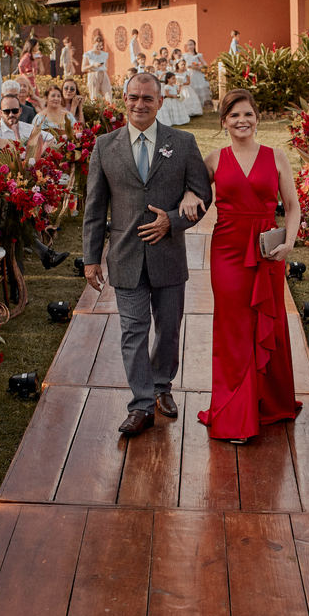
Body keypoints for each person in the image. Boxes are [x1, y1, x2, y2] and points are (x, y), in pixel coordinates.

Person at [82, 72, 213, 436]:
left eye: (147, 98)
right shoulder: (105, 146)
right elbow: (94, 208)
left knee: (169, 330)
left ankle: (161, 386)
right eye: (133, 97)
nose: (140, 104)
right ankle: (141, 404)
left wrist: (172, 221)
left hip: (168, 256)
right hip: (124, 257)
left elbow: (202, 197)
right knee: (133, 331)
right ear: (124, 100)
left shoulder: (183, 143)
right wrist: (91, 258)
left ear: (160, 102)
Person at [171, 89, 301, 443]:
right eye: (234, 115)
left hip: (266, 251)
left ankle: (268, 401)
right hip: (227, 252)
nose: (242, 121)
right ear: (224, 121)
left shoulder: (277, 157)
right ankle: (235, 414)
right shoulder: (213, 159)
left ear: (257, 118)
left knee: (266, 322)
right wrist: (188, 194)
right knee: (234, 328)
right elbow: (194, 191)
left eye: (248, 114)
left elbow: (291, 206)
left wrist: (288, 243)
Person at [83, 34, 112, 102]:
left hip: (103, 74)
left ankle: (110, 111)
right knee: (94, 96)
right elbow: (83, 68)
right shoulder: (88, 54)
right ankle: (94, 111)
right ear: (93, 44)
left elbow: (106, 67)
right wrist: (93, 65)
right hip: (93, 74)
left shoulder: (104, 54)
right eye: (97, 46)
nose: (99, 48)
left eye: (100, 46)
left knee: (108, 95)